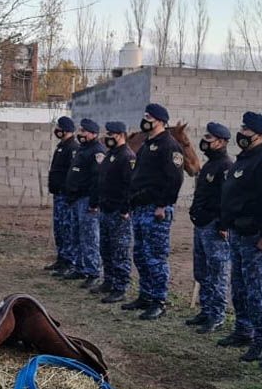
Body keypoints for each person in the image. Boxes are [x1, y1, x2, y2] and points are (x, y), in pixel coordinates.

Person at [216, 112, 262, 352]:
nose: (242, 133)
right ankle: (243, 330)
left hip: (255, 236)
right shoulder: (244, 159)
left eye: (247, 130)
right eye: (242, 128)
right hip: (238, 233)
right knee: (240, 286)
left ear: (261, 135)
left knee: (258, 290)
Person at [123, 103, 184, 320]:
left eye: (148, 117)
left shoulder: (169, 145)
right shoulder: (148, 144)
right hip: (140, 208)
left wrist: (162, 204)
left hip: (155, 210)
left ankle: (159, 300)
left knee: (155, 256)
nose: (145, 119)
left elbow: (175, 179)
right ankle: (146, 295)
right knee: (140, 254)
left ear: (159, 120)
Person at [186, 122, 234, 333]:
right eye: (205, 137)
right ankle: (205, 310)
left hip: (215, 226)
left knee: (217, 272)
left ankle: (217, 315)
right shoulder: (209, 164)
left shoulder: (225, 165)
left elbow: (227, 199)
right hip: (201, 224)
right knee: (203, 270)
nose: (205, 141)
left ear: (221, 142)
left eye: (210, 138)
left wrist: (223, 224)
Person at [94, 121, 135, 303]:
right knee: (106, 248)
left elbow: (130, 186)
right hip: (105, 209)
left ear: (121, 135)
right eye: (107, 133)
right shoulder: (111, 155)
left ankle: (120, 287)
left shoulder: (127, 156)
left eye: (112, 134)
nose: (108, 136)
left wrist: (126, 209)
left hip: (119, 212)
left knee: (120, 251)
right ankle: (109, 281)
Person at [61, 119, 106, 287]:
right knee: (77, 236)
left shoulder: (97, 152)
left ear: (93, 134)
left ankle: (93, 272)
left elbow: (97, 180)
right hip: (76, 199)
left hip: (87, 201)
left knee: (89, 238)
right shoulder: (82, 149)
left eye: (84, 131)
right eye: (80, 130)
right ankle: (80, 268)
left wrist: (94, 203)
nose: (81, 134)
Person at [45, 116, 78, 275]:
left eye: (59, 127)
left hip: (66, 196)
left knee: (66, 229)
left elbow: (71, 174)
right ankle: (61, 259)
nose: (57, 130)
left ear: (66, 129)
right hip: (58, 195)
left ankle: (69, 262)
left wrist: (67, 190)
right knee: (59, 229)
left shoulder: (72, 148)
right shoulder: (62, 146)